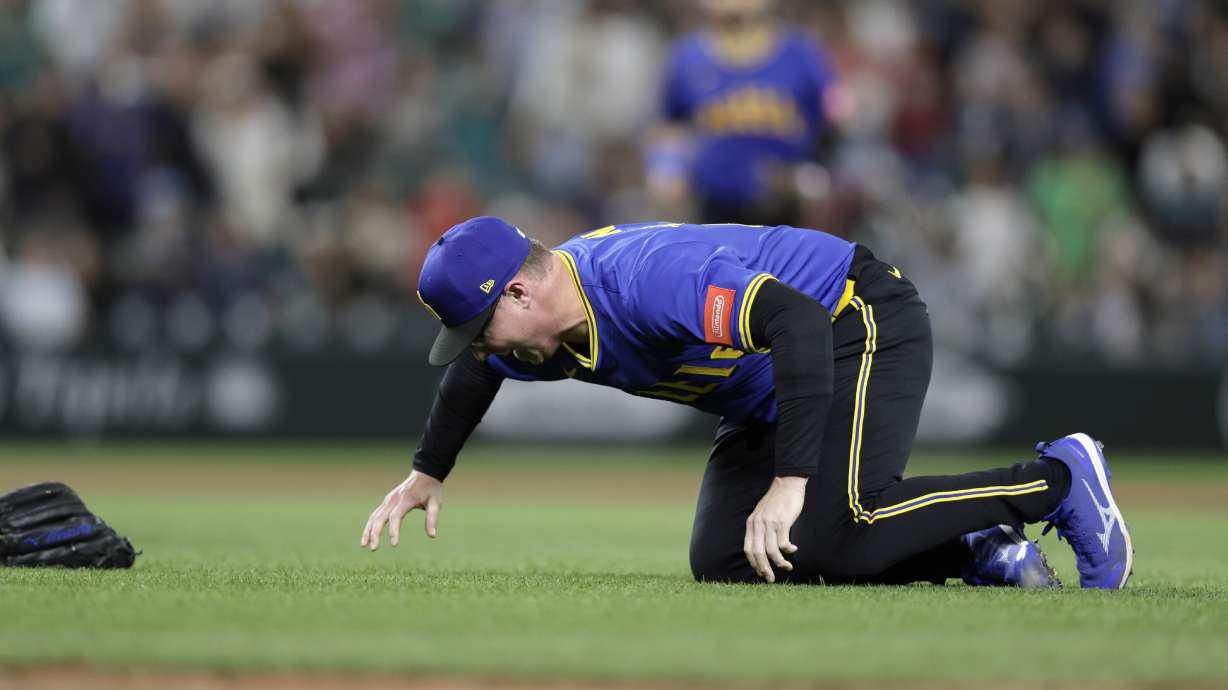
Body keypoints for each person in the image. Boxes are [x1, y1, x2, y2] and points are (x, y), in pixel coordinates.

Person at [360, 216, 1134, 589]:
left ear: (521, 290)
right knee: (729, 559)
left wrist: (791, 481)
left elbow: (794, 319)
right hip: (773, 386)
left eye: (480, 326)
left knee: (838, 526)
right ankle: (972, 549)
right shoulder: (531, 336)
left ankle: (1057, 480)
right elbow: (473, 376)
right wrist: (428, 471)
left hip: (854, 316)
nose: (481, 347)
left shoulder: (642, 278)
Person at [646, 0, 836, 227]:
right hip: (715, 203)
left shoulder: (801, 55)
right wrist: (667, 167)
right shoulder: (687, 58)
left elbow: (830, 123)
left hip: (788, 204)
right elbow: (670, 125)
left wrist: (818, 175)